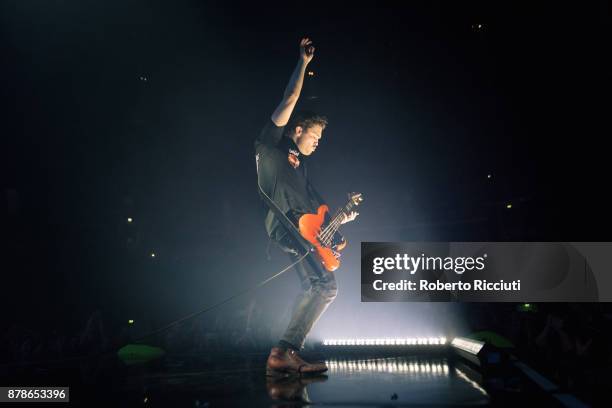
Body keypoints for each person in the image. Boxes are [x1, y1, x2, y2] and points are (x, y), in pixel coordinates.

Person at [255, 38, 358, 376]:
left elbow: (319, 214)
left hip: (302, 229)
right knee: (325, 286)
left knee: (318, 286)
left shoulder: (301, 166)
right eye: (313, 135)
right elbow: (290, 98)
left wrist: (339, 227)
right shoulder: (271, 145)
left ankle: (284, 354)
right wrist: (302, 62)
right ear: (297, 130)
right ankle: (284, 351)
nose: (317, 141)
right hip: (285, 225)